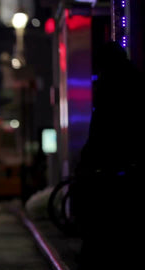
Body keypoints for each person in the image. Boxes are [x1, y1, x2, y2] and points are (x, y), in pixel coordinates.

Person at [72, 41, 145, 269]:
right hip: (130, 160)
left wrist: (87, 158)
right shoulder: (135, 78)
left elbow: (101, 126)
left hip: (110, 164)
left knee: (101, 225)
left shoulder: (108, 82)